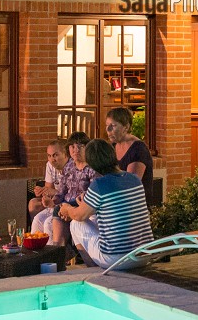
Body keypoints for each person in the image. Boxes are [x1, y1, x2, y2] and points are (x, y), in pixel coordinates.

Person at [59, 138, 153, 269]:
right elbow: (115, 210)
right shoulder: (134, 179)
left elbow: (78, 216)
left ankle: (93, 270)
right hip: (143, 254)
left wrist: (67, 209)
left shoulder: (99, 184)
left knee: (76, 224)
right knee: (93, 217)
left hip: (116, 259)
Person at [106, 107, 153, 203]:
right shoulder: (113, 146)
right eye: (107, 125)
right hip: (116, 201)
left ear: (126, 127)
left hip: (134, 206)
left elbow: (130, 186)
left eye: (113, 125)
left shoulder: (138, 149)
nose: (108, 129)